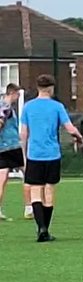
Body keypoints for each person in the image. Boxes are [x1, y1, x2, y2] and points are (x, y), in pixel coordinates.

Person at [18, 74, 83, 243]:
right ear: (51, 88)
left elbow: (23, 134)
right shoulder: (57, 107)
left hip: (34, 154)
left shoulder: (28, 107)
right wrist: (79, 137)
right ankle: (45, 229)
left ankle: (40, 228)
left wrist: (24, 155)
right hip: (52, 154)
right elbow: (69, 128)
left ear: (38, 88)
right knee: (48, 190)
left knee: (35, 191)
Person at [0, 83, 23, 221]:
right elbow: (1, 121)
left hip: (2, 147)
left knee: (2, 179)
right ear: (12, 93)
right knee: (31, 173)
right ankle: (33, 206)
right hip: (11, 146)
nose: (18, 97)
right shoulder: (6, 107)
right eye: (18, 94)